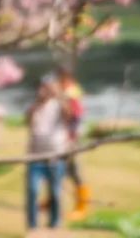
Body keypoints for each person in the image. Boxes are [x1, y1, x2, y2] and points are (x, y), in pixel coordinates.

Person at [25, 77, 68, 230]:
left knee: (55, 193)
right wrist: (38, 103)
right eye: (42, 88)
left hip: (55, 157)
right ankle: (32, 226)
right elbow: (28, 120)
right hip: (35, 157)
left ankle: (55, 224)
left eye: (47, 88)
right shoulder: (34, 107)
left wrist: (59, 95)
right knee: (33, 191)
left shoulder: (59, 105)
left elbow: (68, 115)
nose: (44, 91)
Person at [56, 65, 91, 220]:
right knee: (58, 170)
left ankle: (81, 206)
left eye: (61, 78)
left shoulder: (72, 92)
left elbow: (76, 117)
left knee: (74, 170)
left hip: (72, 138)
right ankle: (53, 201)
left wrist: (71, 137)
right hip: (63, 137)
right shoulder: (67, 91)